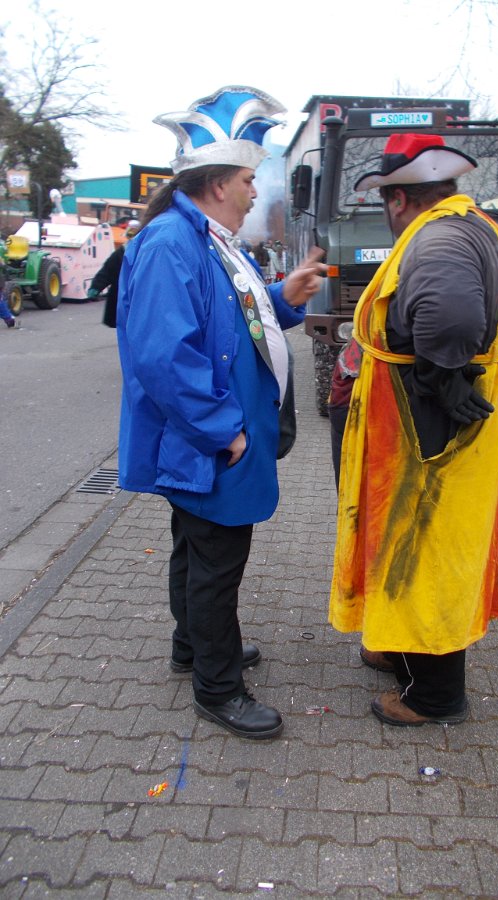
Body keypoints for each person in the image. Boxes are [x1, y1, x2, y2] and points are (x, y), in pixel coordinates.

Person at [116, 85, 325, 740]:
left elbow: (234, 320)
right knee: (215, 564)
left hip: (213, 438)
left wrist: (283, 298)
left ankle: (193, 646)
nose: (254, 190)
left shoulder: (206, 239)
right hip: (210, 441)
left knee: (196, 549)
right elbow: (162, 356)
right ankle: (218, 686)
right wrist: (222, 432)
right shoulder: (172, 243)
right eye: (247, 179)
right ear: (216, 184)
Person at [329, 133, 498, 727]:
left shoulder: (439, 237)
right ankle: (397, 646)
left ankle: (433, 696)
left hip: (424, 432)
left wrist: (442, 377)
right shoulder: (470, 226)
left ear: (397, 198)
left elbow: (450, 316)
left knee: (424, 548)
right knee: (406, 542)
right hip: (426, 425)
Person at [88, 219, 142, 327]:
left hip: (136, 294)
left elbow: (107, 271)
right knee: (126, 323)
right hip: (123, 293)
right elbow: (107, 271)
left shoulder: (144, 252)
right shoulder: (122, 252)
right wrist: (96, 287)